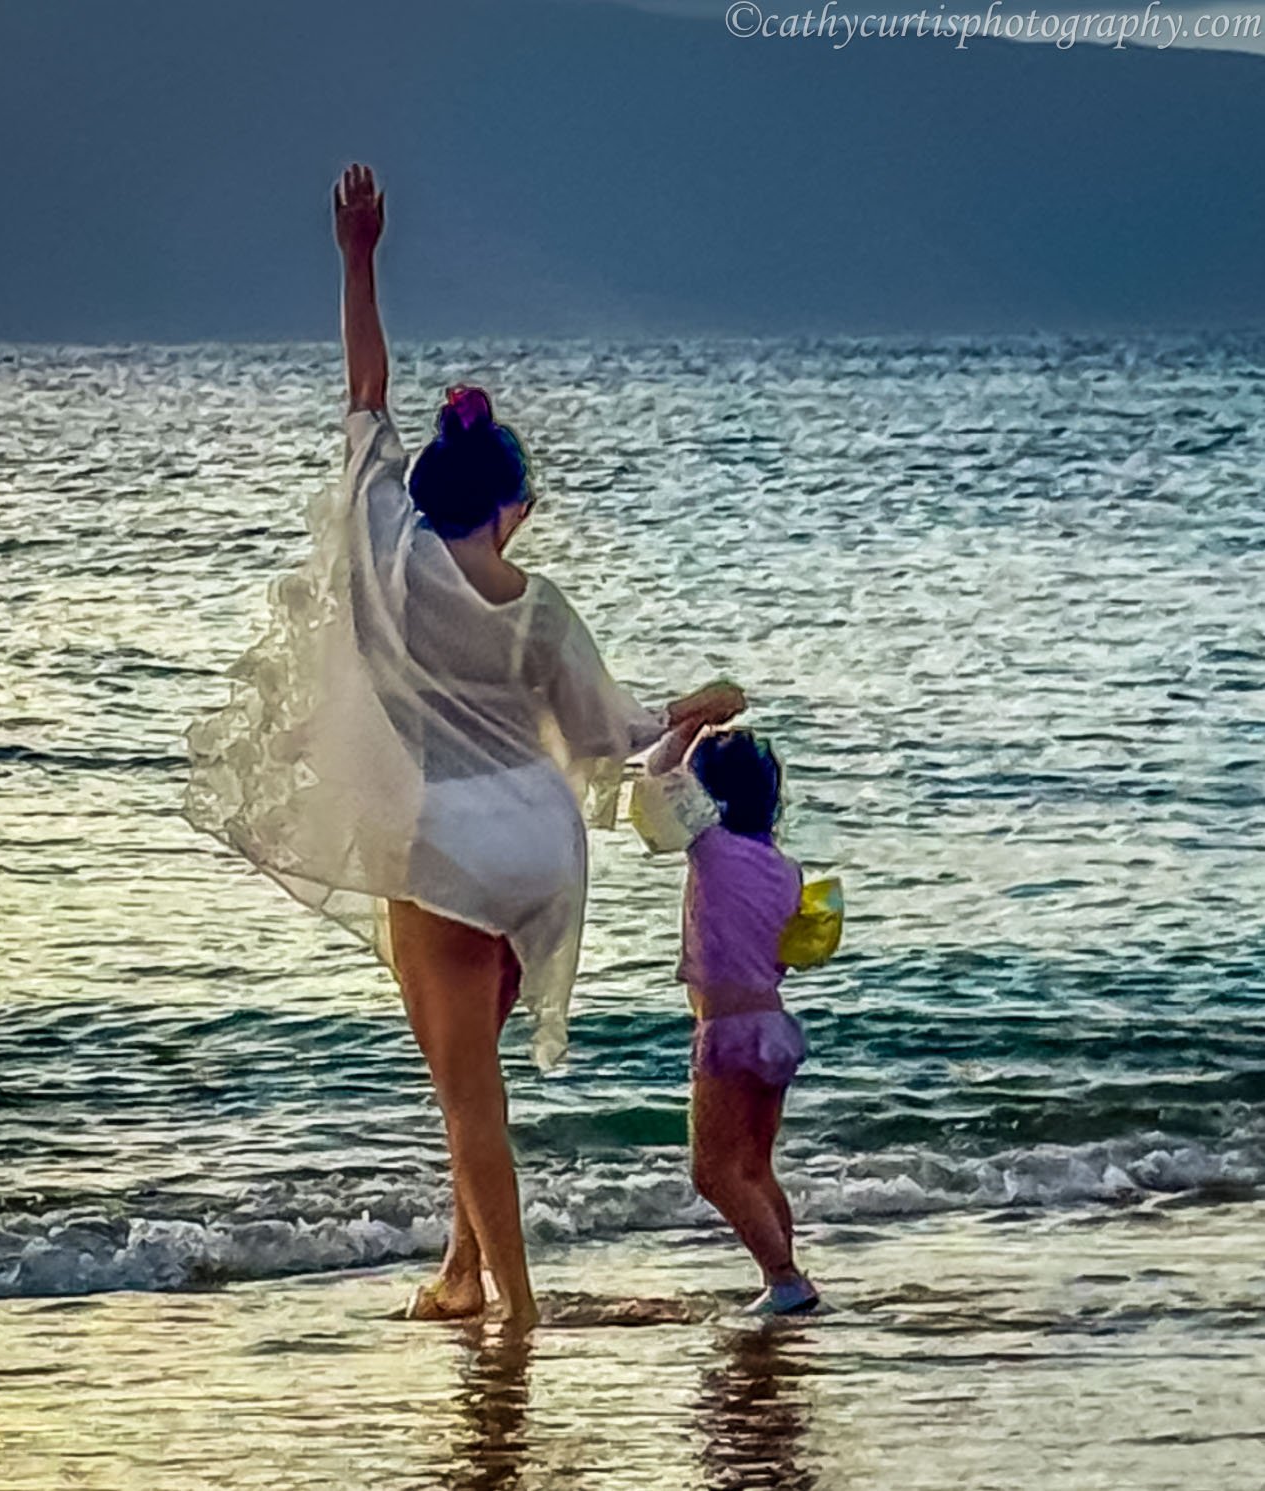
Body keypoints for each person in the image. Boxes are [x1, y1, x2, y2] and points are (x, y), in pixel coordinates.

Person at [184, 163, 745, 1328]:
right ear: (513, 506)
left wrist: (358, 255)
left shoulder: (386, 547)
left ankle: (519, 1310)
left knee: (464, 1100)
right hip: (534, 847)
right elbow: (619, 737)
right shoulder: (539, 608)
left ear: (427, 485)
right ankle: (462, 1271)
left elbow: (367, 389)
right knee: (472, 1082)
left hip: (440, 846)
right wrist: (696, 706)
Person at [644, 722, 819, 1316]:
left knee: (713, 1172)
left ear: (711, 796)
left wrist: (692, 721)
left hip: (727, 1030)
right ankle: (782, 1281)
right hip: (773, 1025)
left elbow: (657, 774)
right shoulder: (786, 868)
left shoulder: (711, 849)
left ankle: (787, 1278)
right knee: (755, 1165)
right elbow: (782, 957)